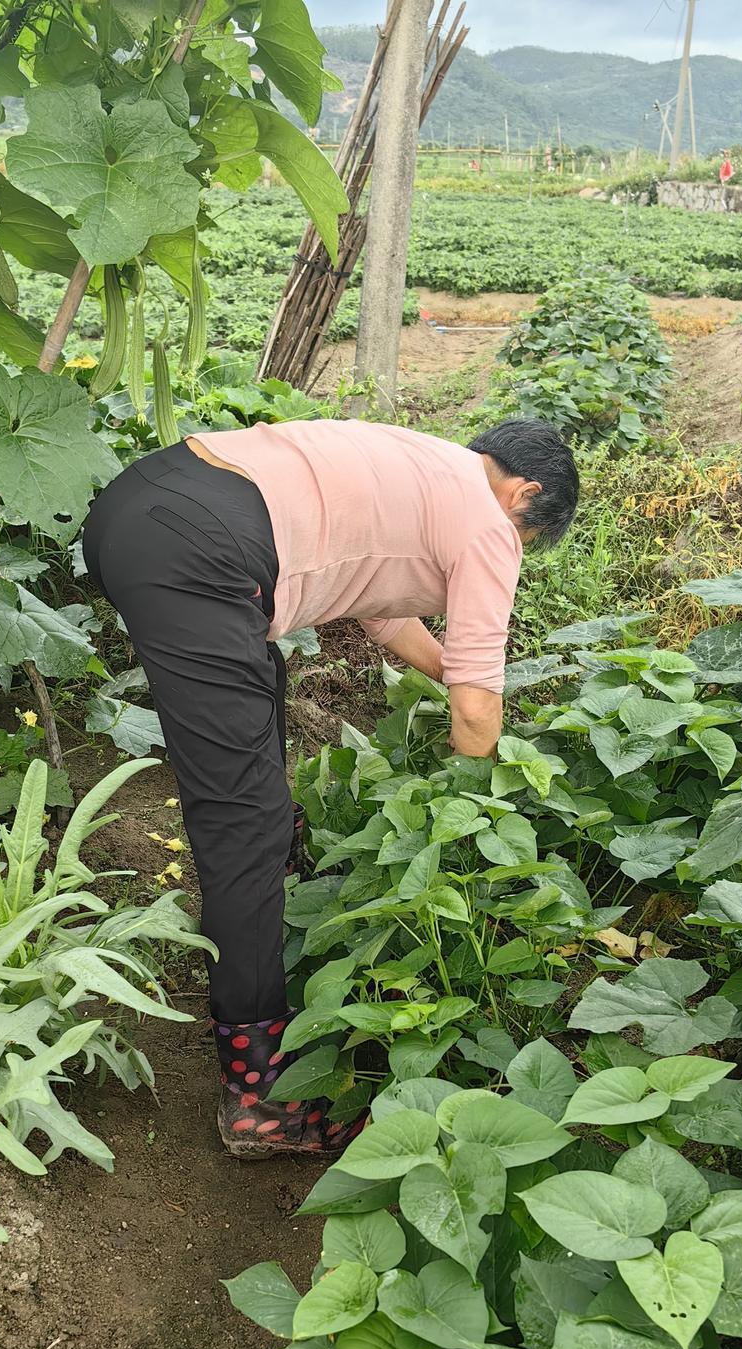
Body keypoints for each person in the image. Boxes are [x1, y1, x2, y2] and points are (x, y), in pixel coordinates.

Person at [82, 417, 579, 1162]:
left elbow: (381, 607)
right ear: (525, 494)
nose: (520, 552)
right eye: (532, 541)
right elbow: (477, 718)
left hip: (149, 501)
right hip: (197, 543)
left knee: (258, 696)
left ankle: (264, 925)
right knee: (242, 821)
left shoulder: (427, 467)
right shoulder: (488, 521)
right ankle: (258, 1099)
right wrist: (467, 812)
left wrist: (456, 673)